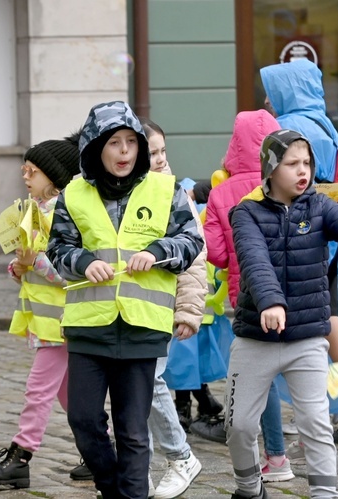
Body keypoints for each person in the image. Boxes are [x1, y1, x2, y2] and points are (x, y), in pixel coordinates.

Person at [46, 101, 203, 499]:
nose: (123, 152)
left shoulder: (166, 190)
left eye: (131, 142)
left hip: (142, 328)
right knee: (83, 421)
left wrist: (157, 251)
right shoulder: (73, 194)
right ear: (96, 147)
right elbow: (58, 247)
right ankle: (114, 490)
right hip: (89, 328)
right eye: (114, 142)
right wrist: (82, 262)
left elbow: (191, 242)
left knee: (134, 433)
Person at [227, 129, 338, 498]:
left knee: (315, 423)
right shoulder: (245, 213)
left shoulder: (319, 207)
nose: (304, 171)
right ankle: (249, 488)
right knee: (239, 426)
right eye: (292, 163)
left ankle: (325, 495)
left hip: (309, 337)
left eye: (307, 163)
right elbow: (254, 260)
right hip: (255, 339)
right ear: (270, 169)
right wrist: (270, 302)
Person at [261, 59, 338, 446]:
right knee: (329, 329)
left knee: (325, 330)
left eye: (271, 88)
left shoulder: (297, 129)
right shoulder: (322, 122)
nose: (266, 97)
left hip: (304, 243)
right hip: (325, 241)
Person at [0, 134, 81, 489]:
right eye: (24, 168)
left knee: (38, 391)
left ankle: (21, 457)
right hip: (45, 321)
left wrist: (34, 262)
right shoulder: (33, 213)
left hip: (61, 323)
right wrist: (19, 268)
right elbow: (31, 264)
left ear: (54, 177)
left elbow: (70, 272)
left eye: (32, 170)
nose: (25, 175)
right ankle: (100, 451)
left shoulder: (64, 215)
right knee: (71, 397)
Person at [198, 110, 294, 482]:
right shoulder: (284, 183)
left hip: (249, 297)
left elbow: (217, 253)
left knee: (259, 376)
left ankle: (274, 457)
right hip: (294, 289)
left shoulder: (223, 192)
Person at [140, 118, 205, 498]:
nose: (161, 159)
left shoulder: (175, 193)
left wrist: (188, 310)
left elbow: (196, 257)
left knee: (150, 381)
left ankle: (181, 456)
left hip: (162, 305)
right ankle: (140, 471)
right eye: (153, 153)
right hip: (132, 307)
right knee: (135, 389)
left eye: (163, 151)